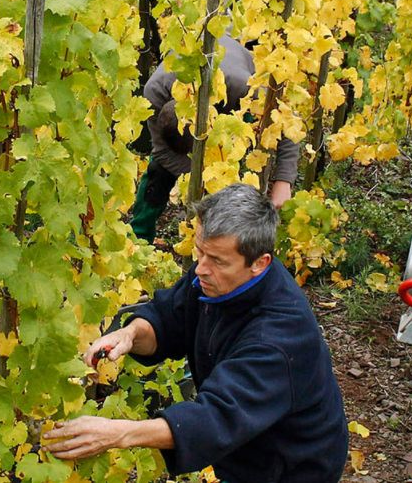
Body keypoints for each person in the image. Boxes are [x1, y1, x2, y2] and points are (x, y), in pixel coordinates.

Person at [45, 184, 348, 482]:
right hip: (246, 448)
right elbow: (169, 319)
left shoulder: (278, 338)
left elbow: (216, 418)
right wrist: (130, 334)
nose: (201, 267)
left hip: (292, 466)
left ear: (259, 263)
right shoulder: (216, 276)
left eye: (216, 260)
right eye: (200, 251)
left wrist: (118, 434)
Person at [130, 36, 300, 242]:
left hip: (233, 102)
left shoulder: (241, 87)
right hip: (200, 102)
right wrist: (200, 179)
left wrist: (283, 180)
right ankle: (139, 238)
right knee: (158, 172)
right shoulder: (154, 95)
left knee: (237, 168)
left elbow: (287, 121)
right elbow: (163, 152)